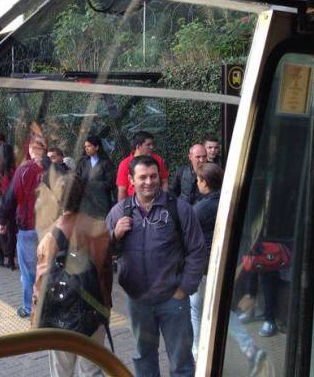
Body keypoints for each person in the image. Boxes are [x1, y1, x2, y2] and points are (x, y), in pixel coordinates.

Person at [106, 155, 206, 377]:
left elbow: (197, 251)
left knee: (181, 362)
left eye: (153, 176)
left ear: (160, 177)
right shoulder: (119, 213)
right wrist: (115, 235)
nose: (149, 182)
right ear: (131, 180)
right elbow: (104, 254)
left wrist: (184, 290)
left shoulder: (179, 209)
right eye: (142, 177)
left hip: (173, 300)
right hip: (138, 301)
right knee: (143, 357)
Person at [32, 174, 113, 377]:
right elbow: (106, 273)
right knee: (92, 370)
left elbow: (40, 286)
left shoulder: (50, 239)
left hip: (62, 317)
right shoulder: (99, 228)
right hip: (95, 310)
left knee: (62, 371)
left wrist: (36, 321)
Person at [189, 163, 266, 373]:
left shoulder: (202, 208)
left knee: (196, 307)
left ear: (205, 182)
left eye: (199, 180)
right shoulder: (231, 201)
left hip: (204, 268)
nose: (197, 183)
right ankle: (250, 349)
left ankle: (197, 354)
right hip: (228, 265)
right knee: (220, 309)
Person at [0, 135, 48, 318]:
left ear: (29, 149)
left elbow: (10, 199)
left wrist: (2, 222)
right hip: (51, 230)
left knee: (29, 272)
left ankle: (29, 307)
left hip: (28, 228)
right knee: (48, 269)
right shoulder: (56, 169)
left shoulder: (25, 170)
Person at [116, 131, 169, 201]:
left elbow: (164, 181)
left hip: (157, 201)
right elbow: (122, 190)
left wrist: (165, 199)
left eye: (152, 144)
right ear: (138, 146)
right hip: (134, 204)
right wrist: (122, 209)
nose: (152, 147)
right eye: (148, 145)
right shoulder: (125, 164)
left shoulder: (158, 159)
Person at [75, 135, 116, 220]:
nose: (86, 148)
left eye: (89, 146)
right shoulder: (83, 163)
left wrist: (92, 184)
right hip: (86, 203)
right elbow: (77, 178)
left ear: (97, 147)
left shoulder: (106, 163)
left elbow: (111, 183)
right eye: (85, 146)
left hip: (102, 202)